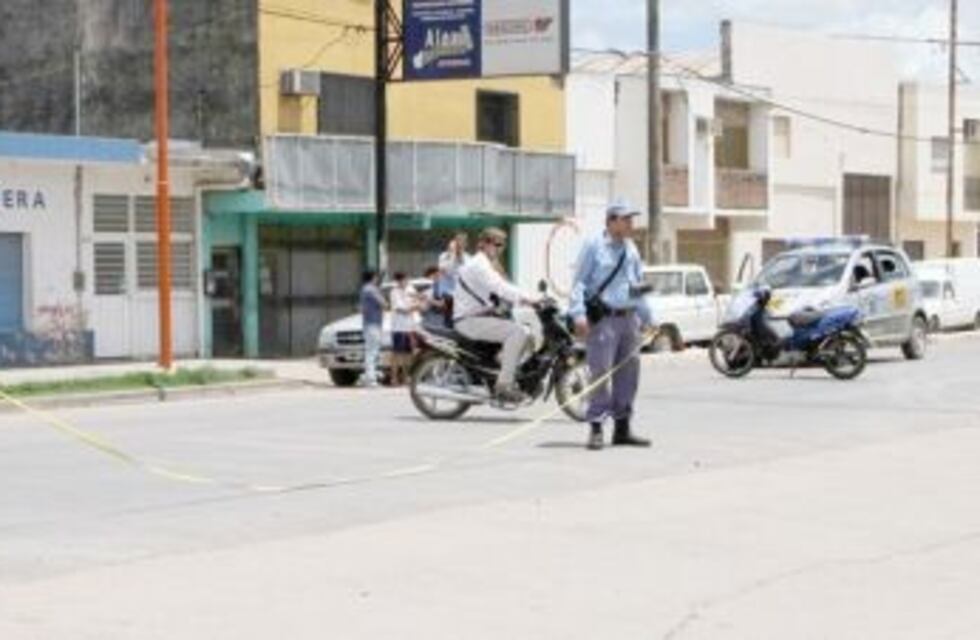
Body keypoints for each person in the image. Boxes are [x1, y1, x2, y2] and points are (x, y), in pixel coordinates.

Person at [569, 202, 655, 450]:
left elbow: (637, 286)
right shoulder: (594, 245)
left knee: (629, 375)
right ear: (611, 220)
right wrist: (578, 314)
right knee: (600, 373)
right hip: (604, 320)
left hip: (629, 320)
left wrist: (648, 318)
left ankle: (622, 429)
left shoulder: (631, 248)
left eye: (631, 219)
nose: (631, 224)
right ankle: (596, 427)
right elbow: (579, 283)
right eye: (626, 219)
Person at [454, 227, 539, 403]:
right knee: (518, 332)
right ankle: (503, 386)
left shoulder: (487, 263)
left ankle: (503, 366)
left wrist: (529, 297)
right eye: (497, 244)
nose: (500, 249)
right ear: (484, 244)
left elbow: (505, 284)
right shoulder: (479, 265)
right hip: (469, 320)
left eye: (503, 245)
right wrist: (529, 298)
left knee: (526, 332)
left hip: (479, 316)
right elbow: (499, 287)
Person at [389, 272, 419, 386]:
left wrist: (414, 305)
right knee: (397, 353)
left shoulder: (411, 289)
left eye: (406, 280)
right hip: (398, 327)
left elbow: (417, 302)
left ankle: (407, 377)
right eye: (401, 281)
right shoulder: (394, 292)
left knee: (409, 353)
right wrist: (413, 307)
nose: (404, 282)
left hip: (410, 326)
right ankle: (394, 378)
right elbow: (400, 308)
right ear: (398, 281)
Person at [359, 270, 387, 387]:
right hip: (373, 323)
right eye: (376, 277)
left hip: (369, 323)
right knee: (372, 352)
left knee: (370, 351)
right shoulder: (371, 289)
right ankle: (371, 379)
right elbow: (383, 303)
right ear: (373, 277)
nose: (377, 279)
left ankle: (369, 376)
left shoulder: (364, 289)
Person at [438, 233, 468, 325]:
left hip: (461, 290)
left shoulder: (467, 257)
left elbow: (467, 271)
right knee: (450, 305)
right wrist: (453, 255)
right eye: (451, 247)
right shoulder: (444, 256)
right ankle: (448, 324)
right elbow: (444, 270)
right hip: (448, 290)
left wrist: (460, 256)